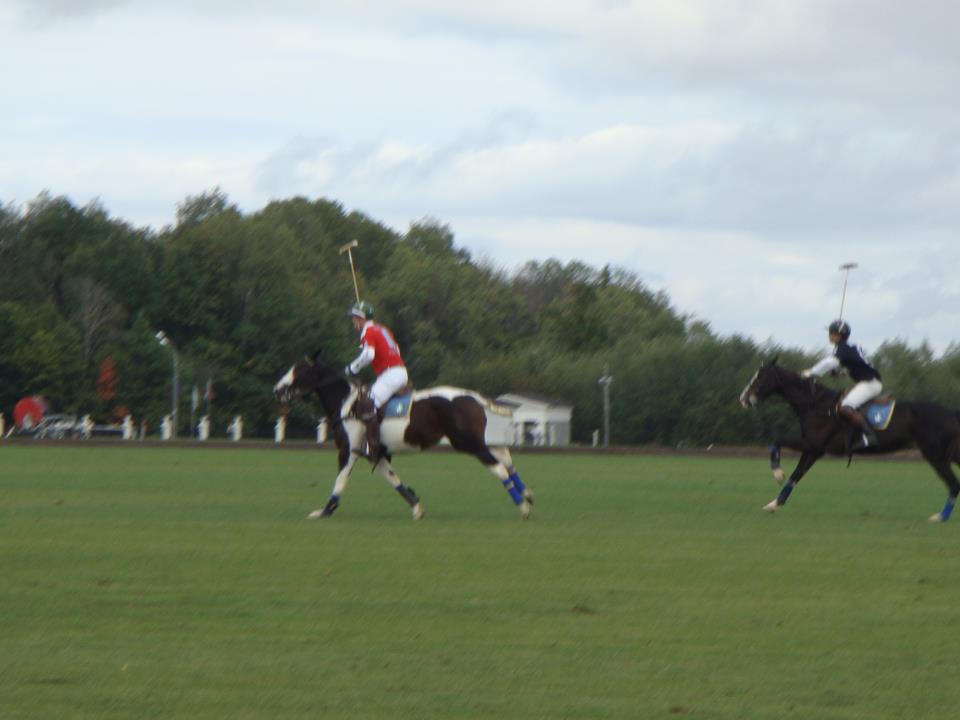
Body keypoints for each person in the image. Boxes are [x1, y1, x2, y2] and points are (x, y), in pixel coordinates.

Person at [802, 319, 882, 448]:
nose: (829, 335)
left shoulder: (843, 348)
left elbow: (829, 362)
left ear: (839, 335)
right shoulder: (849, 347)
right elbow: (854, 367)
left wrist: (811, 372)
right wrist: (839, 372)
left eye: (832, 333)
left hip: (870, 384)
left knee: (845, 407)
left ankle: (870, 436)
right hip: (868, 382)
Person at [343, 301, 408, 457]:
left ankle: (373, 447)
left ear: (361, 318)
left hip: (391, 374)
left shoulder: (368, 332)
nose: (353, 321)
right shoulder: (383, 329)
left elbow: (369, 355)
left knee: (368, 403)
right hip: (398, 372)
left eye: (354, 318)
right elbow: (396, 350)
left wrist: (353, 367)